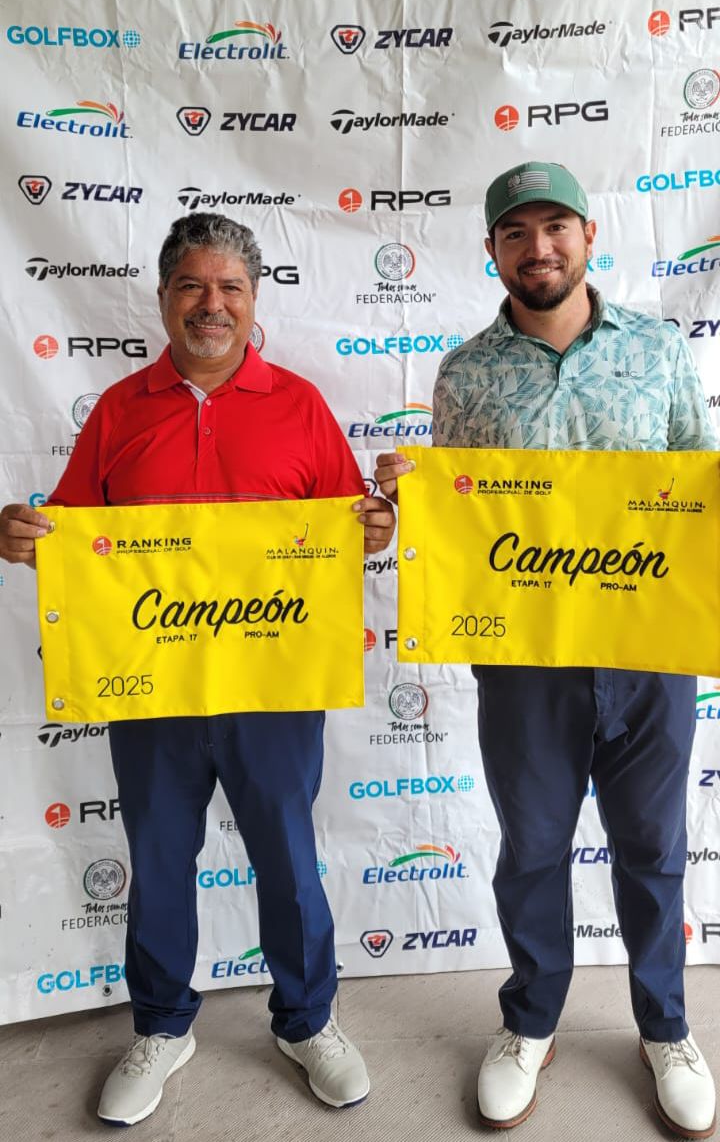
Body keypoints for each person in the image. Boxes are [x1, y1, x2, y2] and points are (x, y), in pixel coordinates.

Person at [0, 213, 395, 1126]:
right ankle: (162, 1025)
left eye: (229, 288)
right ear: (164, 298)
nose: (211, 304)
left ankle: (308, 1019)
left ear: (253, 302)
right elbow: (71, 540)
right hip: (152, 688)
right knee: (159, 857)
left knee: (288, 860)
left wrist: (377, 527)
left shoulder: (301, 405)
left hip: (274, 689)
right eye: (192, 286)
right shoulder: (118, 409)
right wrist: (24, 537)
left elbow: (348, 532)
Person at [374, 161, 717, 1140]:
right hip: (525, 664)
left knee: (653, 850)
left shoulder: (657, 349)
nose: (540, 247)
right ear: (492, 249)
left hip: (648, 653)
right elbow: (459, 531)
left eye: (556, 226)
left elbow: (698, 490)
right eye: (516, 232)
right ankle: (531, 1020)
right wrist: (409, 504)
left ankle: (666, 1027)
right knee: (531, 850)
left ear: (588, 236)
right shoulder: (465, 374)